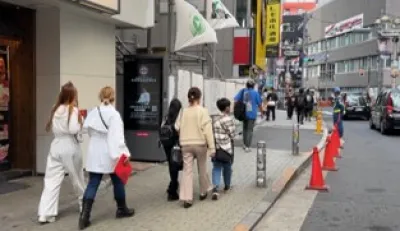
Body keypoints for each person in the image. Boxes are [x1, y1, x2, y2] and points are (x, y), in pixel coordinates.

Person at [79, 86, 134, 230]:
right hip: (110, 150)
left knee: (93, 183)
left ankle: (84, 216)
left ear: (100, 96)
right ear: (113, 97)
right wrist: (125, 153)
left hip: (94, 150)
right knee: (118, 181)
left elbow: (87, 129)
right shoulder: (114, 115)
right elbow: (118, 137)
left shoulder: (93, 112)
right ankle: (122, 209)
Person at [38, 82, 85, 224]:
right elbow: (72, 129)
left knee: (51, 180)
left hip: (56, 145)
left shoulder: (55, 109)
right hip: (70, 145)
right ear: (72, 95)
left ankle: (45, 213)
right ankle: (84, 204)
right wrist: (81, 121)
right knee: (77, 177)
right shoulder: (73, 110)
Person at [175, 87, 214, 209]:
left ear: (189, 98)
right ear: (199, 97)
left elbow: (176, 127)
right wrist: (212, 147)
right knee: (202, 168)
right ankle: (203, 192)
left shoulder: (183, 111)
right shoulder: (202, 111)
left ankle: (187, 199)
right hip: (200, 144)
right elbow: (208, 131)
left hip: (185, 145)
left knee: (187, 171)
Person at [211, 98, 236, 200]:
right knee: (227, 168)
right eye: (229, 106)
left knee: (216, 168)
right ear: (226, 108)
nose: (230, 108)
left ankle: (216, 188)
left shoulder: (214, 119)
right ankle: (227, 186)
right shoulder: (229, 119)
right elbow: (233, 135)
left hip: (217, 149)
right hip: (227, 148)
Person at [159, 99, 182, 201]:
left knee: (171, 164)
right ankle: (172, 189)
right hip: (175, 144)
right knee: (176, 164)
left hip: (166, 144)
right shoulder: (179, 117)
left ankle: (173, 186)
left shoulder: (166, 117)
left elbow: (160, 127)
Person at [234, 79, 263, 152]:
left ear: (246, 85)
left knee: (244, 129)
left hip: (243, 113)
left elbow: (236, 100)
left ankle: (244, 144)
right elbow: (259, 104)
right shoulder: (256, 93)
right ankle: (247, 146)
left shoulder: (243, 91)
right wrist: (262, 113)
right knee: (249, 130)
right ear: (253, 86)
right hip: (252, 114)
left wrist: (236, 109)